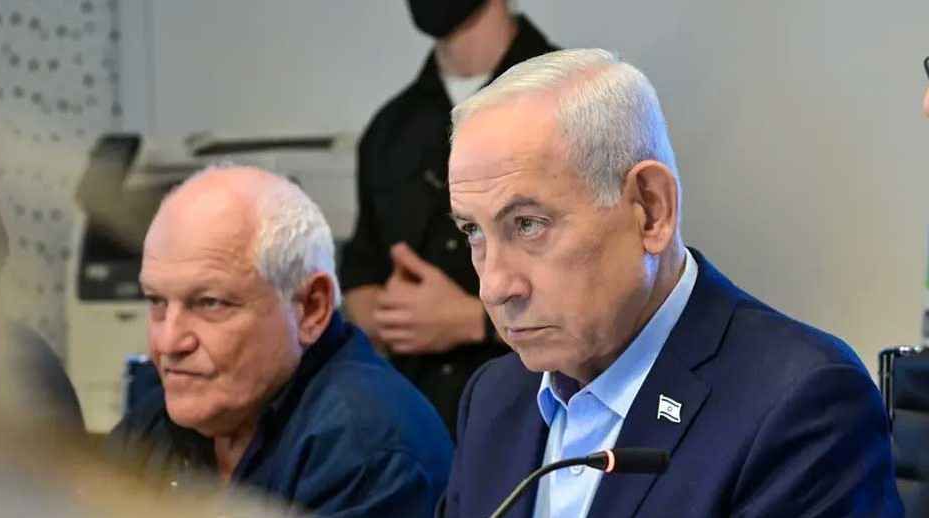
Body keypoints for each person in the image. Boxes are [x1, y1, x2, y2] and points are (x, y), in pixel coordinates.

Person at [439, 49, 902, 517]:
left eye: (528, 225)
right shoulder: (495, 398)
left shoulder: (801, 404)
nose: (494, 287)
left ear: (651, 209)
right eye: (473, 231)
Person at [108, 166, 452, 516]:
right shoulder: (163, 417)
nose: (168, 343)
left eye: (210, 303)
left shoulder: (369, 449)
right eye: (157, 302)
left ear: (311, 308)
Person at [340, 0, 557, 436]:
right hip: (417, 426)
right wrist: (391, 317)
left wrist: (473, 321)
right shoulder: (390, 129)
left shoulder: (570, 103)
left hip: (542, 420)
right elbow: (363, 271)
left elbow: (615, 287)